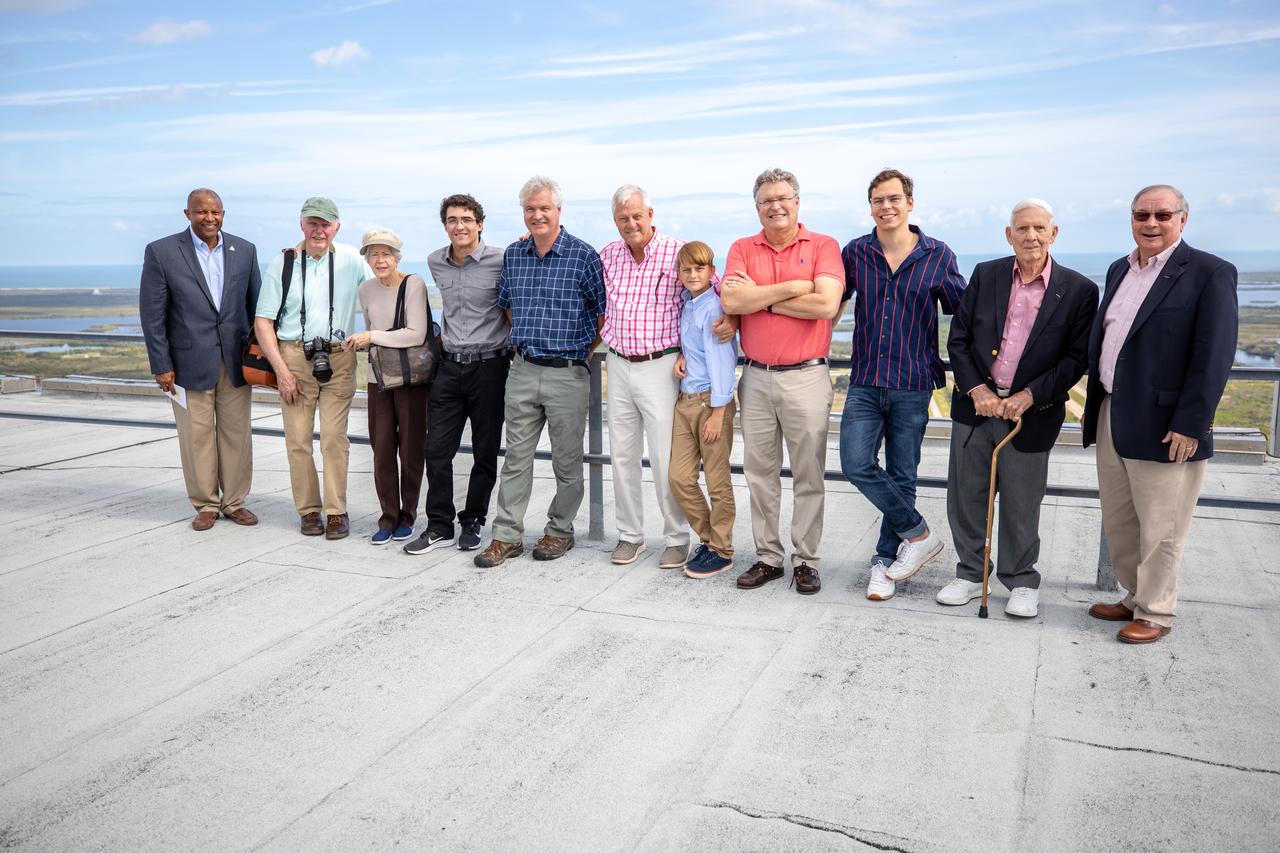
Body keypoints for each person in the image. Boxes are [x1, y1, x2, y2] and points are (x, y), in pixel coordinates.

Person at [1082, 185, 1238, 644]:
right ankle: (1134, 595)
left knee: (1162, 525)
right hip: (1114, 410)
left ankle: (1156, 611)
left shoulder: (1210, 272)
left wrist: (1191, 423)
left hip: (1169, 425)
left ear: (1183, 219)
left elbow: (1213, 356)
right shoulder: (1119, 269)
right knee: (1122, 519)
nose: (1151, 223)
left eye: (1162, 215)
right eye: (1141, 214)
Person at [939, 199, 1098, 617]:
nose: (1031, 236)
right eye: (1022, 229)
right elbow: (958, 339)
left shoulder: (1080, 289)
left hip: (1033, 414)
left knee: (1022, 501)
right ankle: (971, 574)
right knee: (966, 497)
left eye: (1039, 228)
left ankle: (1021, 579)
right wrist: (977, 391)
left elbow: (1075, 360)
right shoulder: (986, 274)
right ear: (1008, 234)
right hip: (976, 409)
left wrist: (1027, 397)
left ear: (1054, 233)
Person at [839, 168, 966, 601]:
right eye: (878, 200)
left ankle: (884, 565)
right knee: (856, 464)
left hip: (913, 381)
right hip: (866, 379)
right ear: (870, 206)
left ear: (910, 203)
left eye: (894, 199)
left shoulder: (936, 254)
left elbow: (963, 311)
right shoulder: (855, 253)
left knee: (902, 474)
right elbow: (829, 303)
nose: (886, 207)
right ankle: (918, 533)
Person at [720, 168, 844, 595]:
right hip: (755, 377)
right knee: (759, 474)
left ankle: (806, 560)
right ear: (757, 207)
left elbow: (826, 304)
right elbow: (733, 299)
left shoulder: (824, 245)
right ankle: (768, 558)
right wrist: (792, 287)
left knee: (809, 475)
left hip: (807, 376)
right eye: (766, 200)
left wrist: (763, 299)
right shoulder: (741, 247)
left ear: (797, 202)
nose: (775, 205)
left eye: (783, 198)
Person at [474, 176, 607, 568]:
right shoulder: (514, 255)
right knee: (516, 458)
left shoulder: (584, 256)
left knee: (567, 461)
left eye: (544, 208)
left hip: (568, 372)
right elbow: (508, 307)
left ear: (558, 211)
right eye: (530, 209)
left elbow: (601, 315)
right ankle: (506, 536)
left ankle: (559, 531)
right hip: (523, 370)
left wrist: (579, 352)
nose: (537, 215)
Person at [139, 188, 261, 531]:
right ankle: (206, 504)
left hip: (236, 362)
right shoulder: (162, 252)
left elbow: (255, 311)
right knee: (196, 436)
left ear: (224, 213)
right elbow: (152, 315)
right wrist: (160, 365)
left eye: (216, 212)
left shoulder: (245, 250)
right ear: (187, 214)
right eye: (201, 212)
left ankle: (235, 502)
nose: (209, 218)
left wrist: (260, 357)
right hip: (185, 364)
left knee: (237, 434)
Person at [253, 197, 371, 540]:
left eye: (326, 224)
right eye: (312, 223)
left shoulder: (351, 259)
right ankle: (308, 510)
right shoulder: (283, 263)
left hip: (339, 356)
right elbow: (263, 323)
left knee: (335, 439)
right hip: (294, 359)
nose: (319, 230)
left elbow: (384, 282)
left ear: (337, 227)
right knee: (298, 441)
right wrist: (282, 373)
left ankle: (336, 511)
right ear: (301, 225)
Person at [406, 194, 511, 555]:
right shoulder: (436, 261)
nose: (460, 226)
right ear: (445, 225)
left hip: (490, 367)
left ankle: (473, 520)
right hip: (449, 366)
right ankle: (439, 525)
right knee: (435, 450)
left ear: (480, 223)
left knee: (485, 452)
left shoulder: (503, 258)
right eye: (452, 219)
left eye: (467, 219)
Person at [600, 184, 692, 570]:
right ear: (615, 221)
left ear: (651, 215)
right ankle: (630, 536)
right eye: (623, 218)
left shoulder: (678, 252)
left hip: (661, 365)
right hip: (618, 363)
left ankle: (676, 537)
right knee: (621, 456)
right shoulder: (607, 255)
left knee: (663, 457)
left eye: (638, 215)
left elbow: (704, 298)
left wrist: (693, 353)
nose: (631, 223)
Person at [341, 227, 430, 545]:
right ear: (366, 258)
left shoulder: (414, 284)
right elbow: (371, 334)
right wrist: (360, 341)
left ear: (397, 257)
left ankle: (407, 515)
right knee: (381, 450)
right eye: (374, 254)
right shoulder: (365, 290)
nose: (381, 259)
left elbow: (415, 334)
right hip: (377, 379)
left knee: (410, 448)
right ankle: (387, 517)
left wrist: (372, 337)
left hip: (411, 380)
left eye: (386, 253)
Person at [669, 241, 739, 579]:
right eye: (686, 269)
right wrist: (684, 357)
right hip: (685, 401)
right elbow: (696, 350)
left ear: (711, 271)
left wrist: (718, 411)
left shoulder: (714, 308)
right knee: (679, 477)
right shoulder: (689, 304)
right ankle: (710, 539)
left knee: (717, 481)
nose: (692, 274)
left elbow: (722, 361)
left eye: (699, 268)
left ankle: (721, 550)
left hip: (711, 401)